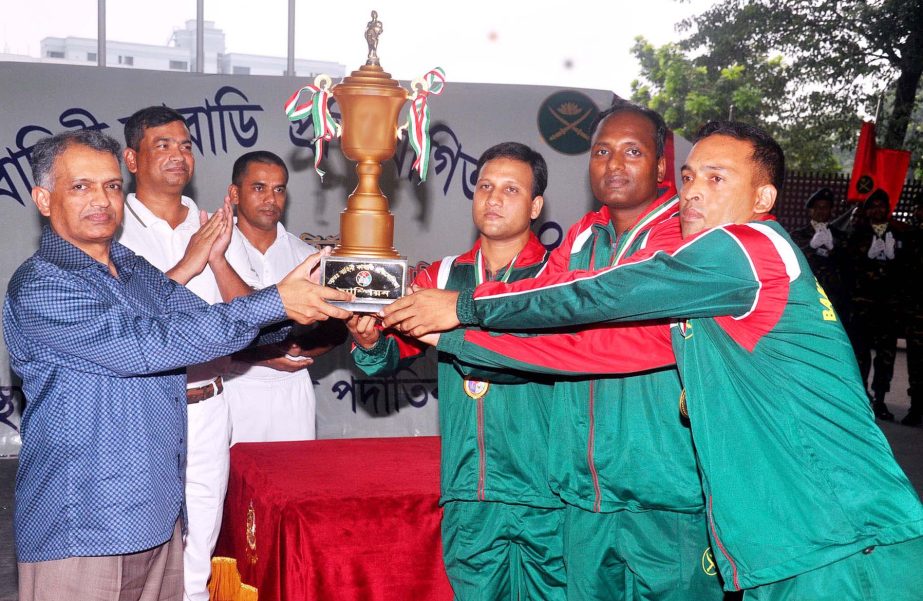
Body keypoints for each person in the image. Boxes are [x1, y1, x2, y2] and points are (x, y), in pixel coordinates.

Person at [382, 121, 923, 600]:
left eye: (716, 179)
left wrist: (463, 305)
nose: (692, 193)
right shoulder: (704, 290)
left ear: (763, 196)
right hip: (776, 541)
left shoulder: (747, 248)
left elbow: (603, 293)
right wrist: (449, 337)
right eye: (688, 178)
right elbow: (597, 347)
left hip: (845, 532)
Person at [3, 129, 350, 601]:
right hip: (83, 521)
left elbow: (202, 321)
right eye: (80, 186)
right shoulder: (43, 285)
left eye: (110, 185)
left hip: (158, 514)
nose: (101, 200)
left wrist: (300, 311)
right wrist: (275, 303)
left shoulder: (128, 266)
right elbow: (149, 345)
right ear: (44, 199)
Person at [453, 103, 721, 601]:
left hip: (664, 495)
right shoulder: (581, 237)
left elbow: (602, 343)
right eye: (601, 151)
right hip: (581, 495)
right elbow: (535, 324)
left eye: (632, 151)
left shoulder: (687, 238)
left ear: (662, 165)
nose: (614, 164)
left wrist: (456, 321)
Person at [347, 142, 566, 599]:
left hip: (549, 493)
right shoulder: (442, 277)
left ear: (536, 206)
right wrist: (369, 340)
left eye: (511, 189)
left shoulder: (559, 277)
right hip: (470, 490)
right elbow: (390, 355)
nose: (494, 198)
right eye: (485, 186)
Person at [116, 105, 257, 600]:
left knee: (200, 547)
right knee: (137, 545)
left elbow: (251, 317)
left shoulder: (213, 224)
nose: (179, 155)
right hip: (141, 408)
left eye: (186, 145)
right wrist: (189, 259)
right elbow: (125, 326)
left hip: (210, 400)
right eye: (163, 145)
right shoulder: (112, 230)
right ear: (132, 159)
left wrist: (216, 260)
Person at [222, 151, 346, 443]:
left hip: (292, 389)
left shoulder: (306, 257)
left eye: (279, 189)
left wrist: (298, 349)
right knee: (232, 483)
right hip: (232, 386)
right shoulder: (215, 251)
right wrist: (264, 356)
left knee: (294, 480)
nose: (270, 199)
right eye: (259, 188)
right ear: (234, 193)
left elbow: (336, 330)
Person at [844, 189, 906, 420]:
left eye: (882, 205)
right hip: (863, 305)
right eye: (874, 206)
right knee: (860, 354)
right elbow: (847, 267)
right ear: (868, 210)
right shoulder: (858, 234)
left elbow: (908, 270)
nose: (878, 210)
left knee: (885, 355)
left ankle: (880, 399)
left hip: (888, 307)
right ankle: (860, 399)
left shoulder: (899, 235)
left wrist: (896, 256)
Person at [789, 187, 848, 320]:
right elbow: (792, 261)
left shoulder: (840, 236)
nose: (821, 211)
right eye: (817, 207)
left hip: (832, 294)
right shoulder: (798, 235)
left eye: (825, 207)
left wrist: (833, 249)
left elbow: (847, 265)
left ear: (831, 210)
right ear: (810, 210)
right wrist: (810, 246)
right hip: (807, 291)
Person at [901, 193, 923, 426]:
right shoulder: (909, 236)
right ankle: (916, 407)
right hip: (915, 310)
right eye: (918, 208)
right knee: (916, 363)